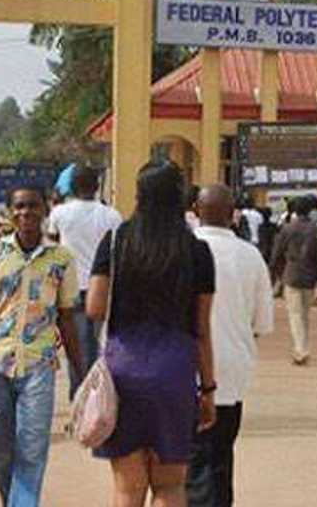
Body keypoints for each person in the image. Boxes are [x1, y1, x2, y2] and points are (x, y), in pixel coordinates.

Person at [86, 160, 217, 507]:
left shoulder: (116, 241)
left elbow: (94, 307)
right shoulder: (197, 251)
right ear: (179, 197)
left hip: (123, 370)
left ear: (139, 194)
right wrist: (208, 389)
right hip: (175, 373)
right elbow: (201, 329)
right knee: (170, 487)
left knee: (127, 489)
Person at [0, 185, 83, 507]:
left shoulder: (61, 258)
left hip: (39, 366)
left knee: (32, 448)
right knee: (1, 450)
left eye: (32, 206)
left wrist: (80, 373)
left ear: (45, 210)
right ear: (9, 211)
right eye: (18, 207)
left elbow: (67, 318)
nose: (25, 213)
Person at [187, 184, 274, 506]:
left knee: (191, 463)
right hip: (232, 373)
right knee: (221, 459)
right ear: (233, 213)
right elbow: (261, 323)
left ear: (196, 210)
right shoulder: (250, 256)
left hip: (187, 371)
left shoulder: (184, 250)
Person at [47, 167, 122, 395]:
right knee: (101, 350)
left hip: (70, 289)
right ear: (97, 185)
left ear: (72, 187)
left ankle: (78, 399)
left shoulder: (59, 214)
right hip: (102, 290)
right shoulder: (112, 215)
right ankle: (98, 399)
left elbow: (52, 247)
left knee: (76, 350)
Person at [270, 197, 317, 366]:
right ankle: (302, 347)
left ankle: (301, 350)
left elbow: (276, 253)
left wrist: (274, 273)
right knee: (304, 314)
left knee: (295, 315)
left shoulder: (287, 229)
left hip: (292, 275)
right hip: (310, 277)